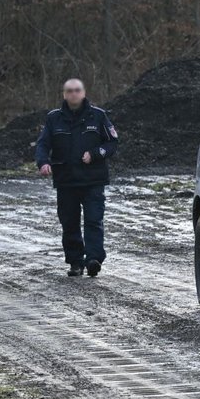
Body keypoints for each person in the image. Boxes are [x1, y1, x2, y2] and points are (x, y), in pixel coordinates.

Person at [35, 79, 118, 277]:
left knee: (94, 220)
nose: (73, 94)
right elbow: (42, 144)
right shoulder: (54, 119)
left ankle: (93, 259)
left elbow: (112, 143)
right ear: (64, 94)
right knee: (69, 222)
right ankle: (75, 262)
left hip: (93, 180)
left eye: (77, 90)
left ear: (83, 93)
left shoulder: (98, 116)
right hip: (66, 181)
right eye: (70, 91)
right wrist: (43, 162)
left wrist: (95, 153)